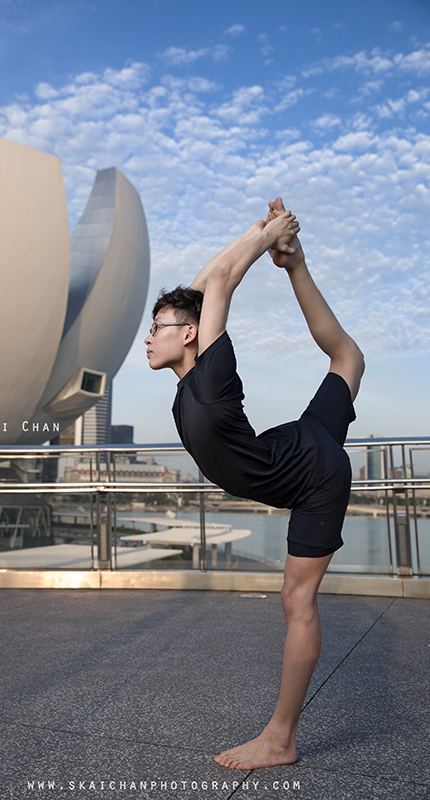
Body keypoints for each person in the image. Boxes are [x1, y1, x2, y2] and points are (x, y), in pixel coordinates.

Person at [144, 198, 364, 770]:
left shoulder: (211, 376)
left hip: (314, 475)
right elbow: (200, 288)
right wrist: (273, 245)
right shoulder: (192, 375)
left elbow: (217, 282)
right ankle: (300, 267)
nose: (147, 337)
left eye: (157, 328)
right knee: (347, 357)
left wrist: (269, 232)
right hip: (300, 442)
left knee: (297, 600)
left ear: (190, 335)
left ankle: (280, 739)